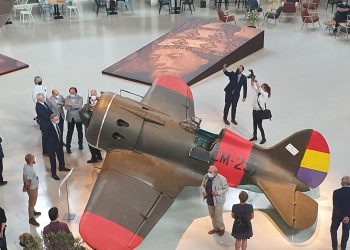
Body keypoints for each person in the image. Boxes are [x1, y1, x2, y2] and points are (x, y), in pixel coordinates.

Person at [200, 165, 228, 236]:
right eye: (208, 171)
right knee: (212, 216)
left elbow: (226, 189)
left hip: (218, 202)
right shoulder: (206, 176)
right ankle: (215, 228)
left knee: (218, 217)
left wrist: (218, 193)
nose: (208, 173)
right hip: (209, 200)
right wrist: (203, 191)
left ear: (215, 173)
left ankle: (221, 229)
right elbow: (202, 185)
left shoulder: (222, 179)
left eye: (210, 172)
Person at [47, 114, 70, 180]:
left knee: (61, 155)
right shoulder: (48, 126)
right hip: (51, 145)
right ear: (52, 119)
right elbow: (46, 136)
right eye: (56, 119)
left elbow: (59, 133)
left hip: (59, 143)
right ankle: (54, 174)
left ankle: (62, 167)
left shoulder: (58, 124)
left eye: (58, 119)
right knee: (53, 160)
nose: (58, 120)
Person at [249, 77, 271, 144]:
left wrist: (256, 81)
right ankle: (255, 136)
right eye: (261, 86)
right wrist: (252, 79)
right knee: (254, 124)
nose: (260, 87)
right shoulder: (258, 92)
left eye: (262, 87)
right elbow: (252, 86)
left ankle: (263, 138)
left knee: (259, 125)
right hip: (254, 111)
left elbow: (259, 89)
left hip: (260, 112)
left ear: (265, 89)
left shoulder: (265, 94)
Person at [331, 176, 350, 250]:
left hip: (337, 215)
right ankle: (343, 247)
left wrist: (342, 217)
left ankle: (334, 248)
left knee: (333, 230)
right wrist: (347, 217)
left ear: (343, 182)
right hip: (348, 217)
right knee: (346, 232)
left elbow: (335, 206)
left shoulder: (336, 192)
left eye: (341, 180)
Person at [22, 154, 41, 227]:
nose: (35, 159)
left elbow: (24, 176)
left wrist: (24, 185)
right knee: (32, 202)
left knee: (31, 201)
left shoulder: (26, 165)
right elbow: (28, 182)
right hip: (32, 188)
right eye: (33, 158)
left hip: (32, 186)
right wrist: (26, 187)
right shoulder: (29, 169)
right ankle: (31, 218)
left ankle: (33, 211)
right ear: (31, 160)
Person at [65, 87, 84, 154]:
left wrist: (71, 105)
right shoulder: (67, 98)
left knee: (80, 132)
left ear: (75, 92)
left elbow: (79, 106)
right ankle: (68, 146)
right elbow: (66, 107)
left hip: (78, 117)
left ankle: (80, 144)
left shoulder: (80, 98)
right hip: (70, 118)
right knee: (69, 132)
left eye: (72, 93)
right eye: (70, 92)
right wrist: (73, 106)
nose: (71, 94)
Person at [87, 89, 102, 163]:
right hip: (90, 123)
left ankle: (95, 157)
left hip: (97, 124)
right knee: (92, 141)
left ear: (96, 94)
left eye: (94, 93)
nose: (93, 95)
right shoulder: (88, 101)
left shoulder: (101, 101)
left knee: (93, 141)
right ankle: (97, 156)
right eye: (91, 94)